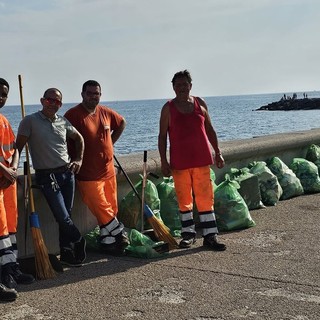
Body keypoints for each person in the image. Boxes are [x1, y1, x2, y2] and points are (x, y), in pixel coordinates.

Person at [16, 88, 86, 267]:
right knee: (62, 216)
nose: (53, 104)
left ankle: (67, 252)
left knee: (67, 215)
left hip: (67, 173)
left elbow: (79, 139)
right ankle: (78, 239)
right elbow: (17, 148)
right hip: (47, 176)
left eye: (58, 102)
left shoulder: (63, 121)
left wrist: (78, 159)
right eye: (50, 100)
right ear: (42, 100)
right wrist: (12, 169)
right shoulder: (29, 121)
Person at [158, 70, 226, 251]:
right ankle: (188, 235)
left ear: (191, 85)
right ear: (173, 87)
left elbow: (210, 129)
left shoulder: (200, 103)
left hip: (202, 159)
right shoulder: (168, 108)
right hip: (180, 162)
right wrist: (164, 161)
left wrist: (218, 152)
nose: (182, 88)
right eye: (178, 85)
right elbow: (162, 136)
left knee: (205, 198)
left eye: (185, 84)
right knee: (184, 199)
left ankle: (210, 236)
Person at [64, 80, 129, 256]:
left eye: (97, 93)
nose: (93, 96)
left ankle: (108, 244)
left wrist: (110, 143)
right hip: (87, 173)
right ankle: (119, 232)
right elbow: (63, 138)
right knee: (100, 206)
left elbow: (122, 122)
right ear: (82, 94)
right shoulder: (73, 115)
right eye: (90, 93)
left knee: (111, 207)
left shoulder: (105, 112)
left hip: (108, 170)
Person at [0, 78, 34, 301]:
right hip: (2, 179)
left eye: (4, 94)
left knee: (10, 226)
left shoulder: (4, 121)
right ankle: (3, 275)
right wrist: (5, 171)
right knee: (0, 229)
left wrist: (12, 168)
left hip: (8, 182)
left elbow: (14, 149)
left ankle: (12, 269)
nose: (1, 97)